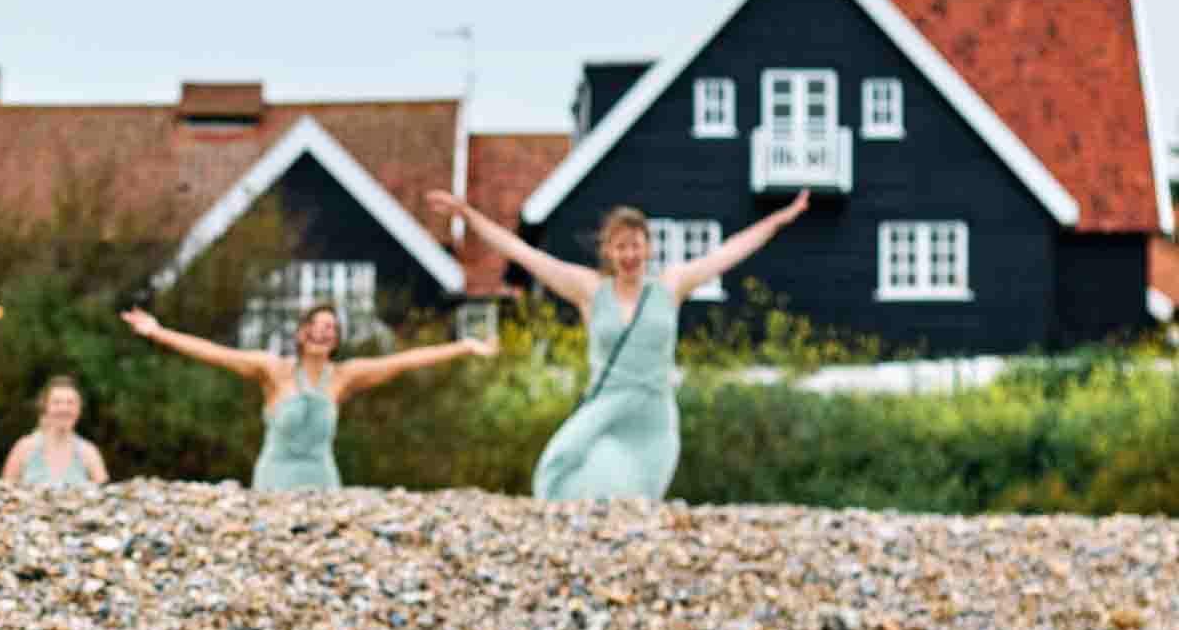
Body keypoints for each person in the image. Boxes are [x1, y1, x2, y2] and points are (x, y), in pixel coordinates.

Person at [426, 189, 808, 500]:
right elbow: (524, 254)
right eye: (620, 247)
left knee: (635, 494)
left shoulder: (671, 286)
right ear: (608, 251)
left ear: (648, 248)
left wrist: (779, 219)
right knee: (561, 468)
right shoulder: (590, 290)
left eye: (635, 245)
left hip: (652, 415)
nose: (629, 255)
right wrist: (467, 214)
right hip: (605, 406)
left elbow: (729, 252)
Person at [120, 303, 494, 490]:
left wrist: (463, 347)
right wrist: (157, 331)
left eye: (329, 328)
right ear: (301, 334)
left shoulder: (344, 377)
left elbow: (404, 361)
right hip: (274, 478)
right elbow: (214, 353)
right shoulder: (272, 370)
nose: (321, 333)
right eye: (314, 327)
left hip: (322, 478)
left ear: (336, 338)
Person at [0, 376, 109, 486]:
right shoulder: (24, 448)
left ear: (79, 409)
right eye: (57, 402)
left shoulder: (89, 452)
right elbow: (4, 492)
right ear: (45, 407)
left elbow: (106, 497)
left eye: (70, 403)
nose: (64, 409)